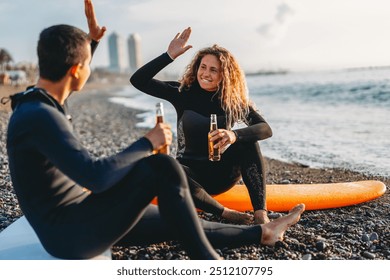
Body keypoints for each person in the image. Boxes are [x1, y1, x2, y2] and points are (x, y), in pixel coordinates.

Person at [6, 1, 305, 260]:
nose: (206, 73)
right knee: (161, 167)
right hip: (71, 234)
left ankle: (262, 232)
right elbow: (96, 177)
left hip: (80, 218)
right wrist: (147, 142)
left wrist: (91, 43)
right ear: (76, 70)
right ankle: (211, 262)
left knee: (179, 221)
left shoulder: (37, 104)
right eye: (87, 64)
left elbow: (66, 83)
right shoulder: (40, 116)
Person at [130, 27, 273, 224]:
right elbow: (137, 80)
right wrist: (168, 56)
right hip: (189, 175)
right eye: (203, 67)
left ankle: (260, 213)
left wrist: (233, 136)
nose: (205, 73)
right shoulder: (182, 93)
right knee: (165, 164)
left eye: (213, 69)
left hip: (222, 176)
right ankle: (224, 212)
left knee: (248, 141)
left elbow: (265, 129)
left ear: (225, 75)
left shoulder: (231, 101)